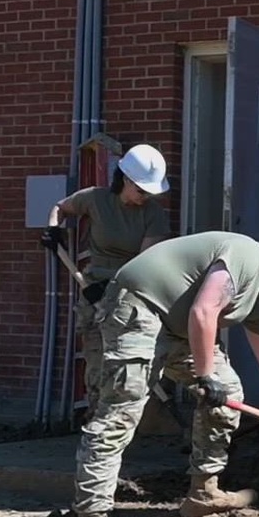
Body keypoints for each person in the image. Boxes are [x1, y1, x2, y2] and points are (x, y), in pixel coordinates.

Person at [67, 220, 259, 517]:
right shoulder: (246, 254)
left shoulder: (258, 298)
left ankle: (202, 491)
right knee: (118, 417)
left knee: (228, 394)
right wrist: (206, 376)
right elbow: (204, 309)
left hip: (176, 329)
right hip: (138, 307)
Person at [40, 144, 173, 401]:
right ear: (125, 179)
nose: (145, 196)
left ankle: (129, 419)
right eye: (141, 189)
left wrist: (113, 289)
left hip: (131, 294)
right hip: (92, 290)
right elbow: (60, 208)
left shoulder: (154, 214)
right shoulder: (95, 199)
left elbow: (143, 264)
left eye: (149, 191)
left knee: (127, 362)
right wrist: (52, 229)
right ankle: (94, 421)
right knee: (97, 361)